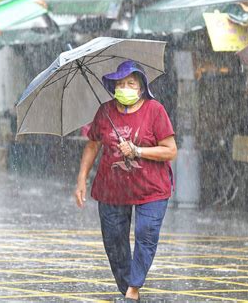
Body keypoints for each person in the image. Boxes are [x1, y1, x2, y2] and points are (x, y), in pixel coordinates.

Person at [74, 60, 177, 301]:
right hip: (112, 188)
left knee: (146, 233)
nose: (125, 87)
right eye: (120, 83)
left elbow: (170, 150)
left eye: (131, 83)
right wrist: (81, 179)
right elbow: (92, 145)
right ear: (113, 87)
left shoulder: (155, 110)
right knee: (114, 241)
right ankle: (127, 287)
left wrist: (138, 151)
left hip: (151, 188)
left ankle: (134, 287)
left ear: (141, 87)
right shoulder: (105, 112)